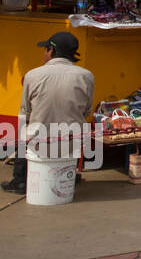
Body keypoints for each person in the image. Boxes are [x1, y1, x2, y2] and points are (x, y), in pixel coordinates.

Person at [3, 32, 94, 195]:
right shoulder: (86, 76)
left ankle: (20, 181)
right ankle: (68, 174)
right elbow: (87, 111)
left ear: (51, 51)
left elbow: (25, 112)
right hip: (72, 143)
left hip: (40, 144)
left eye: (45, 49)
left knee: (25, 127)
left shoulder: (33, 75)